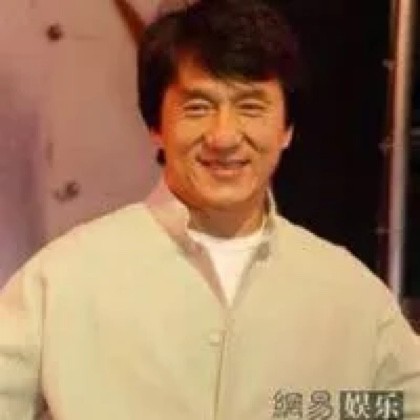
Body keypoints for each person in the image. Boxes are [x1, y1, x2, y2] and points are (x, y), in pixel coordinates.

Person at [1, 1, 420, 419]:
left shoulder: (349, 295)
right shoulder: (64, 279)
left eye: (251, 107)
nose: (224, 136)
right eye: (198, 108)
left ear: (287, 130)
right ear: (155, 126)